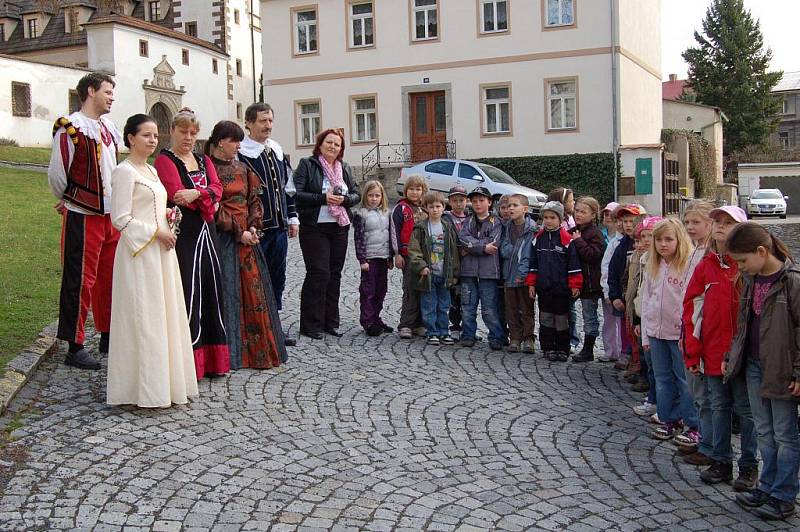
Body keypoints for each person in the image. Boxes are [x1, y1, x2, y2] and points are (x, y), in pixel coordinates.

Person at [106, 114, 197, 407]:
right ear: (131, 138)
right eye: (146, 135)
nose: (153, 140)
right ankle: (139, 389)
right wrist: (155, 231)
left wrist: (169, 221)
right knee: (143, 318)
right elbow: (120, 218)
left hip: (161, 252)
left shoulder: (152, 171)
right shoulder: (124, 172)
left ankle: (166, 384)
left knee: (163, 316)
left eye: (156, 135)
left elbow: (157, 206)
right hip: (139, 254)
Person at [48, 72, 122, 370]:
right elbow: (57, 173)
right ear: (91, 91)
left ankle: (107, 332)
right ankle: (74, 344)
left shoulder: (109, 127)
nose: (112, 97)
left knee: (110, 276)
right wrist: (72, 199)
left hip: (109, 215)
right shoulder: (71, 127)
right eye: (107, 91)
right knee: (80, 280)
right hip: (83, 215)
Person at [725, 223, 800, 520]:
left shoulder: (791, 282)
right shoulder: (752, 279)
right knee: (765, 433)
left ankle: (784, 495)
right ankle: (766, 487)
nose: (741, 267)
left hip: (782, 370)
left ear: (761, 251)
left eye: (742, 261)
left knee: (785, 435)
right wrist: (734, 356)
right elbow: (744, 323)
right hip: (754, 365)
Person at [682, 206, 757, 489]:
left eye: (729, 223)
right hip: (712, 351)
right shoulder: (706, 265)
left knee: (746, 410)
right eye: (719, 222)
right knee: (718, 406)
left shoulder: (748, 266)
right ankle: (720, 460)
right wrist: (693, 349)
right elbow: (691, 310)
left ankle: (749, 465)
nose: (722, 227)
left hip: (743, 354)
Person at [154, 109, 230, 379]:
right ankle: (189, 362)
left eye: (193, 133)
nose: (188, 137)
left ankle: (214, 361)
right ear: (172, 131)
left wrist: (199, 192)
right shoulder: (165, 161)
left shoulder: (203, 159)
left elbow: (218, 187)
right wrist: (209, 196)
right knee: (189, 289)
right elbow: (176, 195)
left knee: (211, 287)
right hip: (185, 233)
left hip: (207, 231)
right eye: (183, 131)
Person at [206, 120, 287, 369]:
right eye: (235, 141)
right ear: (221, 142)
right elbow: (213, 208)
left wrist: (253, 226)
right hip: (223, 237)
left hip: (246, 239)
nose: (239, 145)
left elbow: (255, 199)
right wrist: (238, 231)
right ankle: (227, 354)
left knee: (253, 292)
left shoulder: (242, 168)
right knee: (227, 292)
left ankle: (256, 352)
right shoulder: (208, 168)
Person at [237, 103, 298, 345]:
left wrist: (292, 217)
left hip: (279, 228)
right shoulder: (242, 152)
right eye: (263, 121)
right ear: (249, 124)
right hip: (256, 230)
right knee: (255, 280)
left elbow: (288, 188)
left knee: (277, 278)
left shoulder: (276, 149)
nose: (268, 125)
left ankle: (274, 327)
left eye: (270, 120)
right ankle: (255, 331)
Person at [293, 128, 360, 339]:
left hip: (339, 226)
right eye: (329, 142)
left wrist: (345, 200)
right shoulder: (307, 164)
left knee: (334, 273)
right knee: (319, 272)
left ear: (341, 149)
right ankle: (311, 324)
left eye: (337, 144)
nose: (333, 146)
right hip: (314, 227)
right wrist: (324, 198)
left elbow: (357, 193)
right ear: (320, 144)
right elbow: (296, 194)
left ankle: (330, 322)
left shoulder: (345, 168)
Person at [640, 218, 698, 441]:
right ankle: (669, 419)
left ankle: (692, 423)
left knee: (684, 380)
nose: (663, 244)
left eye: (668, 239)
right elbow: (647, 300)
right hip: (656, 331)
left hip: (678, 333)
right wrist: (646, 332)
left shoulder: (686, 266)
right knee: (663, 379)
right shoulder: (653, 265)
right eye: (659, 240)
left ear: (679, 240)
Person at [675, 200, 715, 454]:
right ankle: (703, 436)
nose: (690, 227)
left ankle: (708, 440)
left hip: (703, 329)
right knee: (697, 391)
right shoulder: (694, 251)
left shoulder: (710, 254)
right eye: (687, 222)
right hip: (689, 326)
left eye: (696, 222)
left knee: (706, 395)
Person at [526, 201, 582, 361]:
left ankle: (563, 348)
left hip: (561, 289)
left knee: (561, 319)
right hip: (544, 288)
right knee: (545, 318)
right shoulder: (538, 239)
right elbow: (533, 263)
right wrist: (531, 283)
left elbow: (573, 264)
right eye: (546, 217)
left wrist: (575, 284)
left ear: (560, 219)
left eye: (552, 217)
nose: (548, 221)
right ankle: (548, 347)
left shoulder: (567, 240)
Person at [409, 192, 460, 346]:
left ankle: (444, 331)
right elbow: (414, 249)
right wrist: (421, 266)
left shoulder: (448, 227)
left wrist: (455, 273)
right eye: (431, 207)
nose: (435, 210)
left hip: (444, 274)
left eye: (438, 206)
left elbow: (454, 252)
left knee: (444, 305)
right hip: (428, 275)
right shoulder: (421, 228)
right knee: (429, 305)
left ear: (444, 208)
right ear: (426, 208)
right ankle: (432, 332)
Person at [459, 187, 505, 350]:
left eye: (481, 200)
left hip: (488, 273)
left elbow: (494, 243)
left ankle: (496, 336)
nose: (478, 204)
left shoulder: (496, 222)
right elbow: (463, 239)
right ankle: (468, 334)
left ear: (489, 202)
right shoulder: (468, 221)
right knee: (467, 306)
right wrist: (483, 247)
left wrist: (473, 247)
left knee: (489, 308)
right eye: (475, 201)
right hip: (468, 271)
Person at [629, 217, 662, 415]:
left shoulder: (662, 262)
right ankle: (653, 398)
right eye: (644, 236)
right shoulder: (642, 258)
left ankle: (663, 404)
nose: (647, 240)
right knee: (651, 366)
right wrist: (638, 318)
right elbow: (641, 294)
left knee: (661, 369)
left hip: (662, 324)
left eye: (652, 236)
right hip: (644, 317)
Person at [353, 180, 394, 337]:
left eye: (377, 195)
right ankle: (367, 321)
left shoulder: (387, 213)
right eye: (371, 195)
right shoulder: (362, 215)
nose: (374, 198)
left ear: (382, 196)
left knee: (381, 290)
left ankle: (376, 318)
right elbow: (359, 239)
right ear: (366, 196)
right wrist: (362, 259)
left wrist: (390, 256)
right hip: (369, 259)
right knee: (368, 291)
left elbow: (390, 237)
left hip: (383, 257)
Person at [569, 197, 606, 362]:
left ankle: (588, 348)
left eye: (583, 212)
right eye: (577, 210)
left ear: (593, 215)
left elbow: (593, 256)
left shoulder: (594, 233)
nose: (579, 214)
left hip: (590, 284)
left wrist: (579, 241)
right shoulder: (575, 230)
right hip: (577, 282)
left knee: (589, 316)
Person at [391, 175, 428, 339]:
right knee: (410, 290)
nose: (415, 192)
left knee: (423, 290)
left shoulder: (425, 209)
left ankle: (419, 323)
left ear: (423, 191)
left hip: (424, 256)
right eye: (412, 189)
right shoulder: (401, 209)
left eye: (418, 189)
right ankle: (406, 324)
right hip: (407, 256)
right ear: (406, 191)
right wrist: (397, 254)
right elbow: (394, 232)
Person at [607, 204, 644, 367]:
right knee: (626, 327)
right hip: (624, 297)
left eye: (632, 221)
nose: (628, 225)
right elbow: (613, 272)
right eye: (625, 221)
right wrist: (614, 295)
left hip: (640, 297)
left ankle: (639, 363)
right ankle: (628, 356)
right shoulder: (621, 247)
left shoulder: (646, 245)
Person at [500, 194, 537, 353]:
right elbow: (504, 249)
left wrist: (525, 274)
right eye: (509, 206)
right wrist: (514, 251)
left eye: (515, 205)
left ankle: (528, 338)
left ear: (525, 209)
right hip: (509, 273)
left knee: (527, 309)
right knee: (511, 308)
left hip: (525, 275)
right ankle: (514, 337)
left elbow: (530, 254)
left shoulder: (533, 229)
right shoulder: (506, 227)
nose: (511, 209)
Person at [599, 202, 621, 363]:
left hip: (618, 285)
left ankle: (621, 351)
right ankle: (610, 350)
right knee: (609, 319)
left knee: (620, 321)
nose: (608, 217)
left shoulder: (622, 239)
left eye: (611, 214)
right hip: (605, 282)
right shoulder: (601, 234)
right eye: (606, 213)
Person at [445, 185, 469, 333]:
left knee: (467, 297)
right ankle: (455, 326)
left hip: (468, 265)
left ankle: (467, 327)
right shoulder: (445, 218)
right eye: (455, 200)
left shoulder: (471, 218)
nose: (458, 203)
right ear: (450, 201)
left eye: (461, 200)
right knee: (453, 297)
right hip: (453, 264)